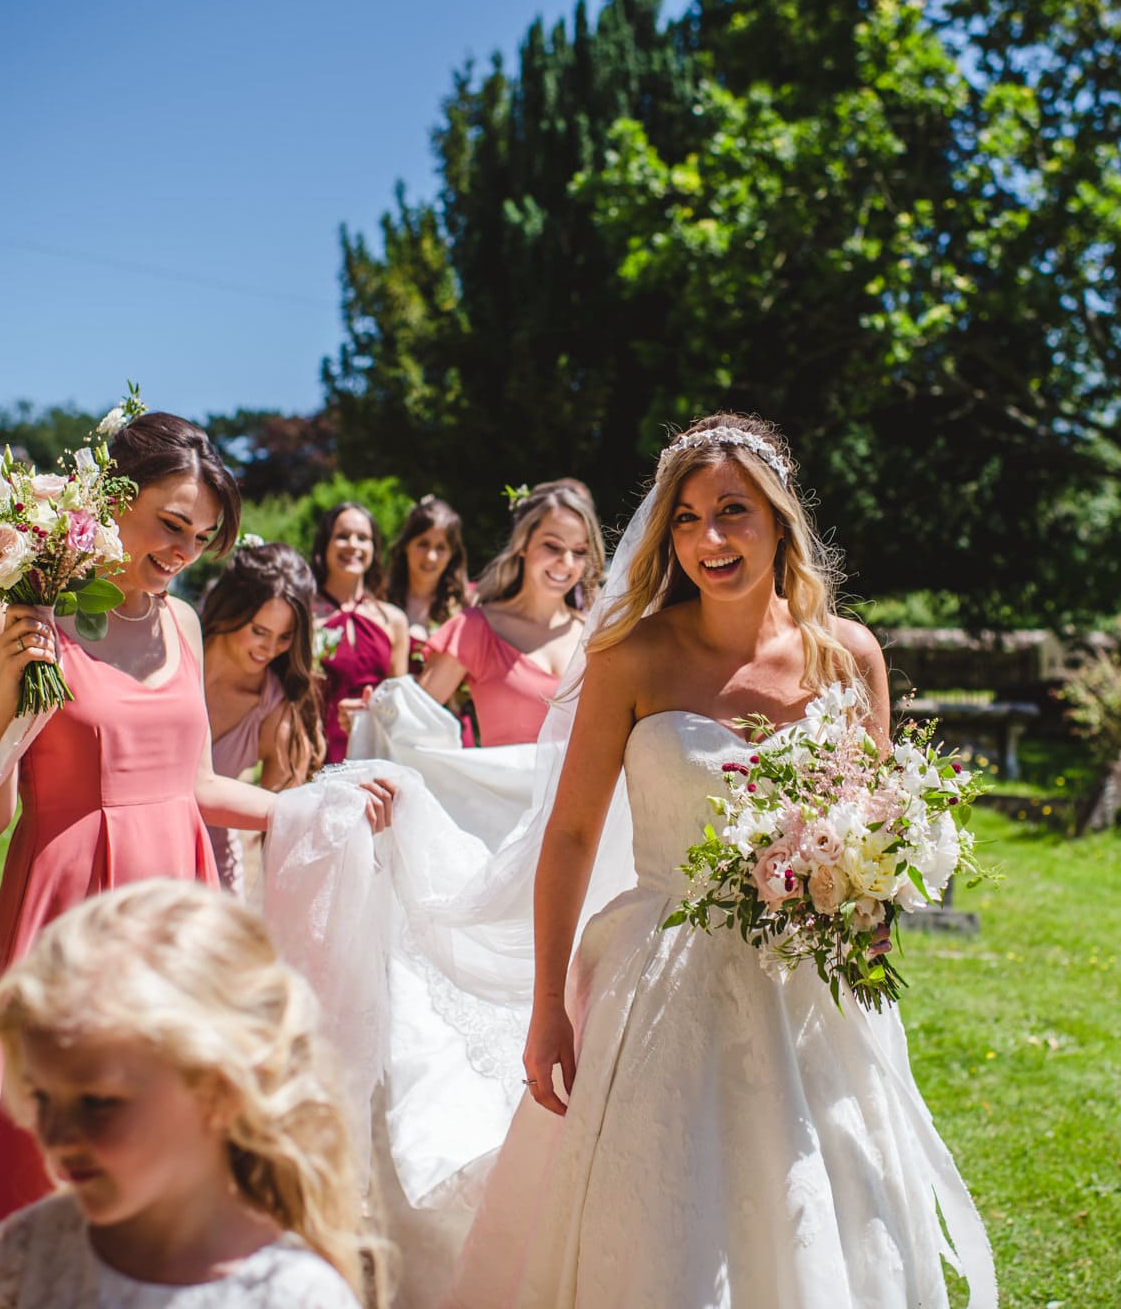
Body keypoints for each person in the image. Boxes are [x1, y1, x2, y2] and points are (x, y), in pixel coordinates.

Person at [440, 415, 997, 1307]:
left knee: (821, 1216)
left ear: (780, 519)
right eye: (688, 517)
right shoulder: (631, 656)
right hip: (663, 988)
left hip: (811, 995)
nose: (709, 538)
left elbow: (880, 827)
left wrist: (870, 900)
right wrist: (548, 1003)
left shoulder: (850, 657)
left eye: (732, 510)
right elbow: (574, 835)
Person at [0, 413, 393, 1309]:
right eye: (171, 524)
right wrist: (2, 692)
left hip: (177, 899)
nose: (183, 552)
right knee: (73, 1118)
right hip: (67, 902)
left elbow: (193, 785)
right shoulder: (23, 615)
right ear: (109, 498)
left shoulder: (179, 620)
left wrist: (317, 808)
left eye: (202, 537)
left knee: (175, 1120)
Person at [0, 880, 381, 1309]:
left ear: (219, 1091)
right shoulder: (36, 1252)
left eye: (98, 1102)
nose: (55, 1134)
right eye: (42, 1097)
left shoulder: (290, 1295)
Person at [418, 483, 602, 748]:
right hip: (502, 790)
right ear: (523, 544)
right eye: (552, 546)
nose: (567, 563)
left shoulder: (597, 635)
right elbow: (410, 722)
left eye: (580, 551)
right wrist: (371, 714)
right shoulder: (474, 628)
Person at [200, 538, 327, 894]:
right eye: (259, 631)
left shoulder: (276, 708)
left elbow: (285, 823)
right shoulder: (169, 651)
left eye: (285, 637)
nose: (269, 650)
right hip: (129, 855)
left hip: (211, 874)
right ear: (230, 611)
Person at [309, 502, 409, 763]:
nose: (353, 545)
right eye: (342, 536)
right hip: (313, 754)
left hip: (375, 757)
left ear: (374, 548)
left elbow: (398, 703)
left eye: (363, 538)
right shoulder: (304, 615)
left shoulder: (394, 620)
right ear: (325, 545)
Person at [388, 496, 470, 675]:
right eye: (423, 544)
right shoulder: (381, 599)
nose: (430, 557)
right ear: (406, 545)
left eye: (441, 548)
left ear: (452, 555)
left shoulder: (465, 609)